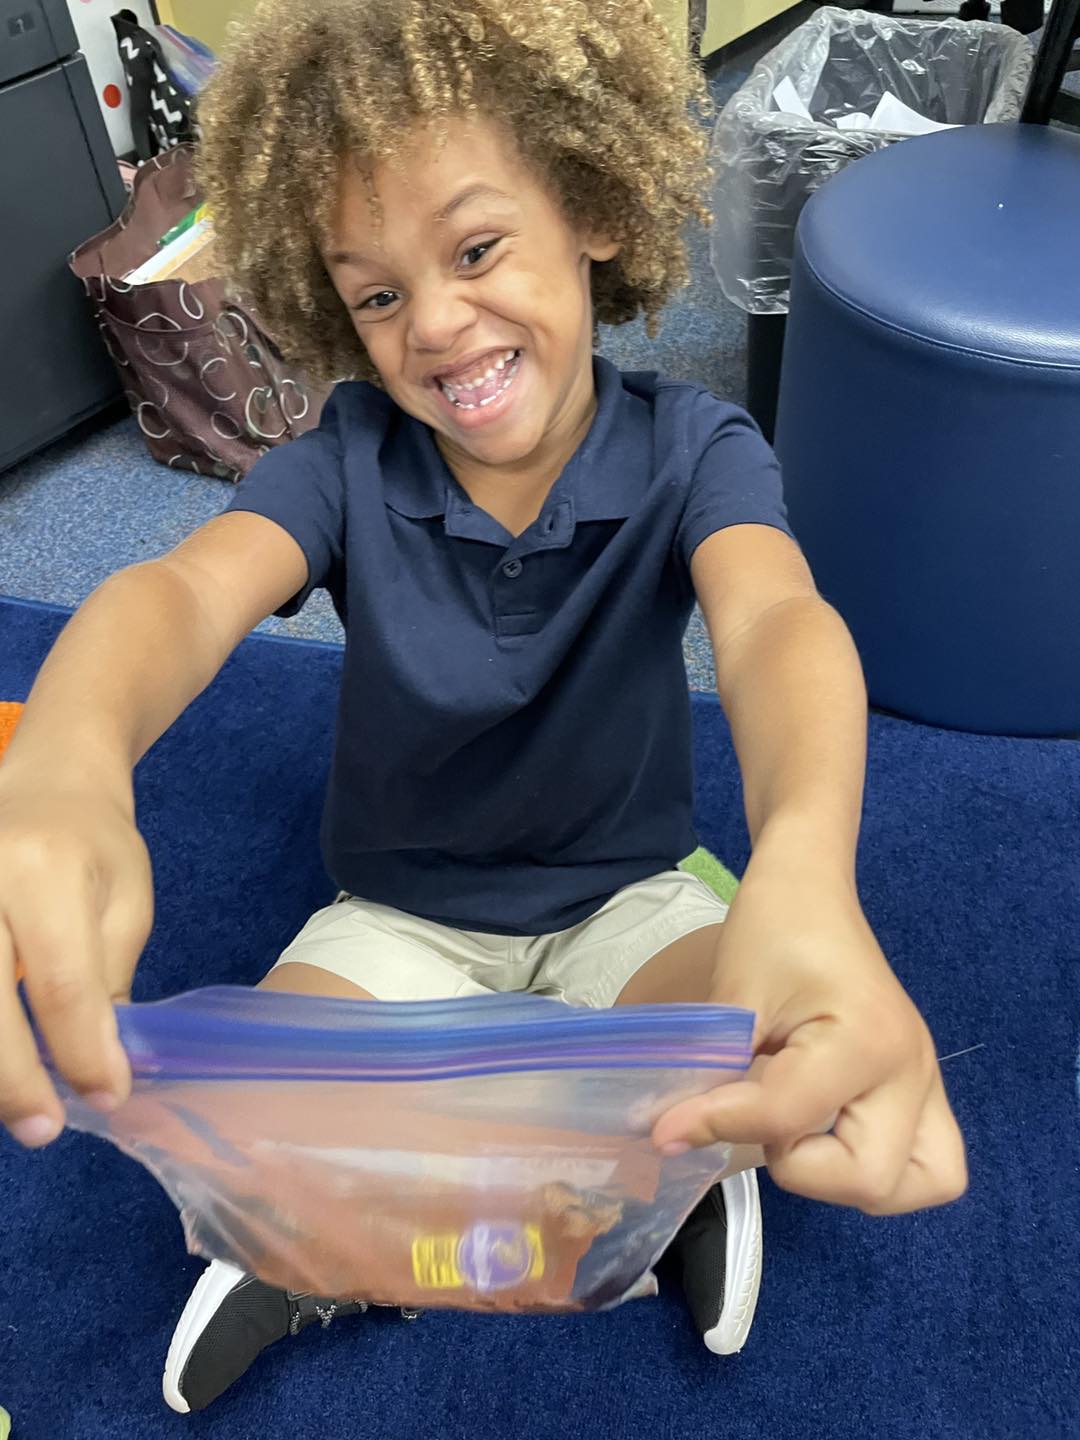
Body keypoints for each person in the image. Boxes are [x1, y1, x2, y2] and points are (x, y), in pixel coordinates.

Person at [0, 0, 967, 1415]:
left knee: (776, 1041)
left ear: (590, 208)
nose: (439, 326)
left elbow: (776, 623)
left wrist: (807, 867)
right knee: (261, 1122)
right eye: (377, 295)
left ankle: (677, 1178)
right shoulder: (344, 457)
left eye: (475, 250)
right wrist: (71, 754)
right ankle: (549, 1181)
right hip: (401, 914)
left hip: (626, 897)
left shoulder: (696, 444)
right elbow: (183, 594)